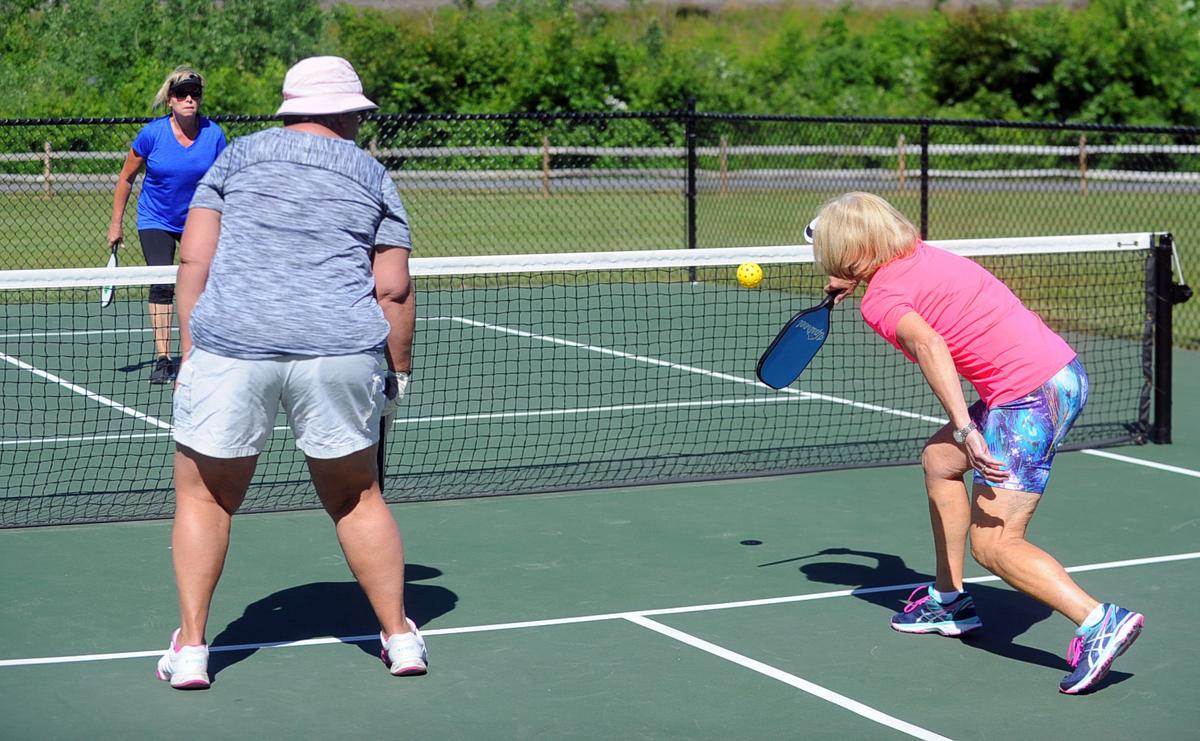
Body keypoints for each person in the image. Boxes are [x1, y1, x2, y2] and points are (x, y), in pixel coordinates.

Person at [154, 56, 422, 690]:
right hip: (341, 352)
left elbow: (194, 256)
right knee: (357, 497)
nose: (360, 123)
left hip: (231, 349)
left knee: (205, 496)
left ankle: (192, 649)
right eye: (357, 113)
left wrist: (194, 347)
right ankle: (401, 637)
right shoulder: (373, 174)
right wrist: (399, 373)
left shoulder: (237, 157)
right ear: (343, 111)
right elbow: (395, 290)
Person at [810, 192, 1144, 695]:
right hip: (1060, 373)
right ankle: (949, 598)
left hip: (1028, 399)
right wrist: (852, 276)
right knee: (939, 461)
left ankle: (1099, 621)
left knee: (995, 544)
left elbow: (930, 344)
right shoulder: (921, 254)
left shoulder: (882, 301)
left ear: (850, 253)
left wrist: (966, 426)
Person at [109, 67, 227, 385]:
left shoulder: (214, 135)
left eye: (194, 94)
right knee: (162, 282)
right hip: (155, 219)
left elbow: (224, 181)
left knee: (202, 283)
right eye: (181, 94)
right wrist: (115, 224)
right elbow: (126, 178)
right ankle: (163, 358)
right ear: (170, 99)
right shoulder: (152, 135)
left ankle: (200, 351)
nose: (189, 99)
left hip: (198, 219)